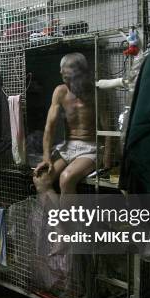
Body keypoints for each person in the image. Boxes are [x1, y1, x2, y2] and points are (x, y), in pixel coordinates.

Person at [34, 52, 96, 193]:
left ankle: (66, 215)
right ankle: (58, 215)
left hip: (91, 147)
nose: (61, 72)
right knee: (41, 180)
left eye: (66, 71)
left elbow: (107, 125)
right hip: (68, 146)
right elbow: (49, 127)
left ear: (78, 72)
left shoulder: (95, 91)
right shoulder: (60, 92)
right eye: (62, 72)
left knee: (66, 178)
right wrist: (46, 158)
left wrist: (107, 157)